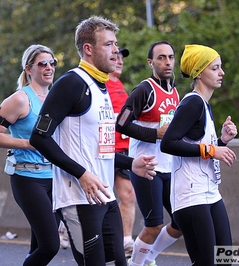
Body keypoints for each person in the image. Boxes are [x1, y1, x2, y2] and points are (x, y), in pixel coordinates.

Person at [30, 16, 158, 266]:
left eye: (116, 44)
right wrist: (82, 175)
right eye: (108, 44)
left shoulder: (103, 87)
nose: (116, 51)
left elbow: (101, 150)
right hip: (79, 199)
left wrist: (132, 163)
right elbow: (39, 137)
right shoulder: (71, 83)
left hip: (106, 197)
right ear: (88, 48)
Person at [0, 44, 61, 265]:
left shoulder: (55, 96)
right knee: (50, 246)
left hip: (54, 177)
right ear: (29, 69)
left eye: (52, 63)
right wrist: (28, 143)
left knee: (38, 245)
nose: (48, 67)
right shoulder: (20, 99)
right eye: (42, 64)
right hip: (28, 178)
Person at [161, 44, 237, 265]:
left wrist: (221, 140)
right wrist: (212, 149)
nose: (221, 72)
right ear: (199, 73)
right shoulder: (192, 102)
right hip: (191, 197)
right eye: (215, 68)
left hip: (210, 192)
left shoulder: (203, 104)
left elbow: (198, 145)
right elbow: (168, 143)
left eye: (220, 67)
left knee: (224, 260)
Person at [116, 41, 182, 266]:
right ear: (150, 62)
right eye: (161, 57)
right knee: (153, 225)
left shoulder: (174, 91)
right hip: (147, 168)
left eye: (171, 57)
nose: (167, 62)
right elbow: (121, 124)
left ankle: (149, 257)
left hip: (170, 167)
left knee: (181, 221)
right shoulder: (144, 90)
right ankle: (135, 264)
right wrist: (155, 134)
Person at [105, 47, 136, 258]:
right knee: (99, 197)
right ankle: (65, 224)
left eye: (121, 57)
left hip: (123, 149)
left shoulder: (120, 85)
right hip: (105, 150)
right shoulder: (101, 84)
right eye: (115, 57)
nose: (119, 61)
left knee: (129, 195)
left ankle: (126, 241)